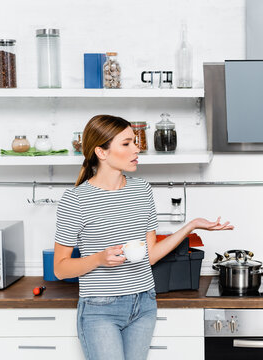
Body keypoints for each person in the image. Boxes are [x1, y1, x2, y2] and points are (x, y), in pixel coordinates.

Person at [54, 115, 233, 360]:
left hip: (144, 303)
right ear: (101, 152)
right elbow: (60, 269)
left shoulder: (142, 190)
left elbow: (149, 256)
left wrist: (190, 226)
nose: (137, 148)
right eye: (126, 144)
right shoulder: (75, 201)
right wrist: (98, 259)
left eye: (135, 142)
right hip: (99, 309)